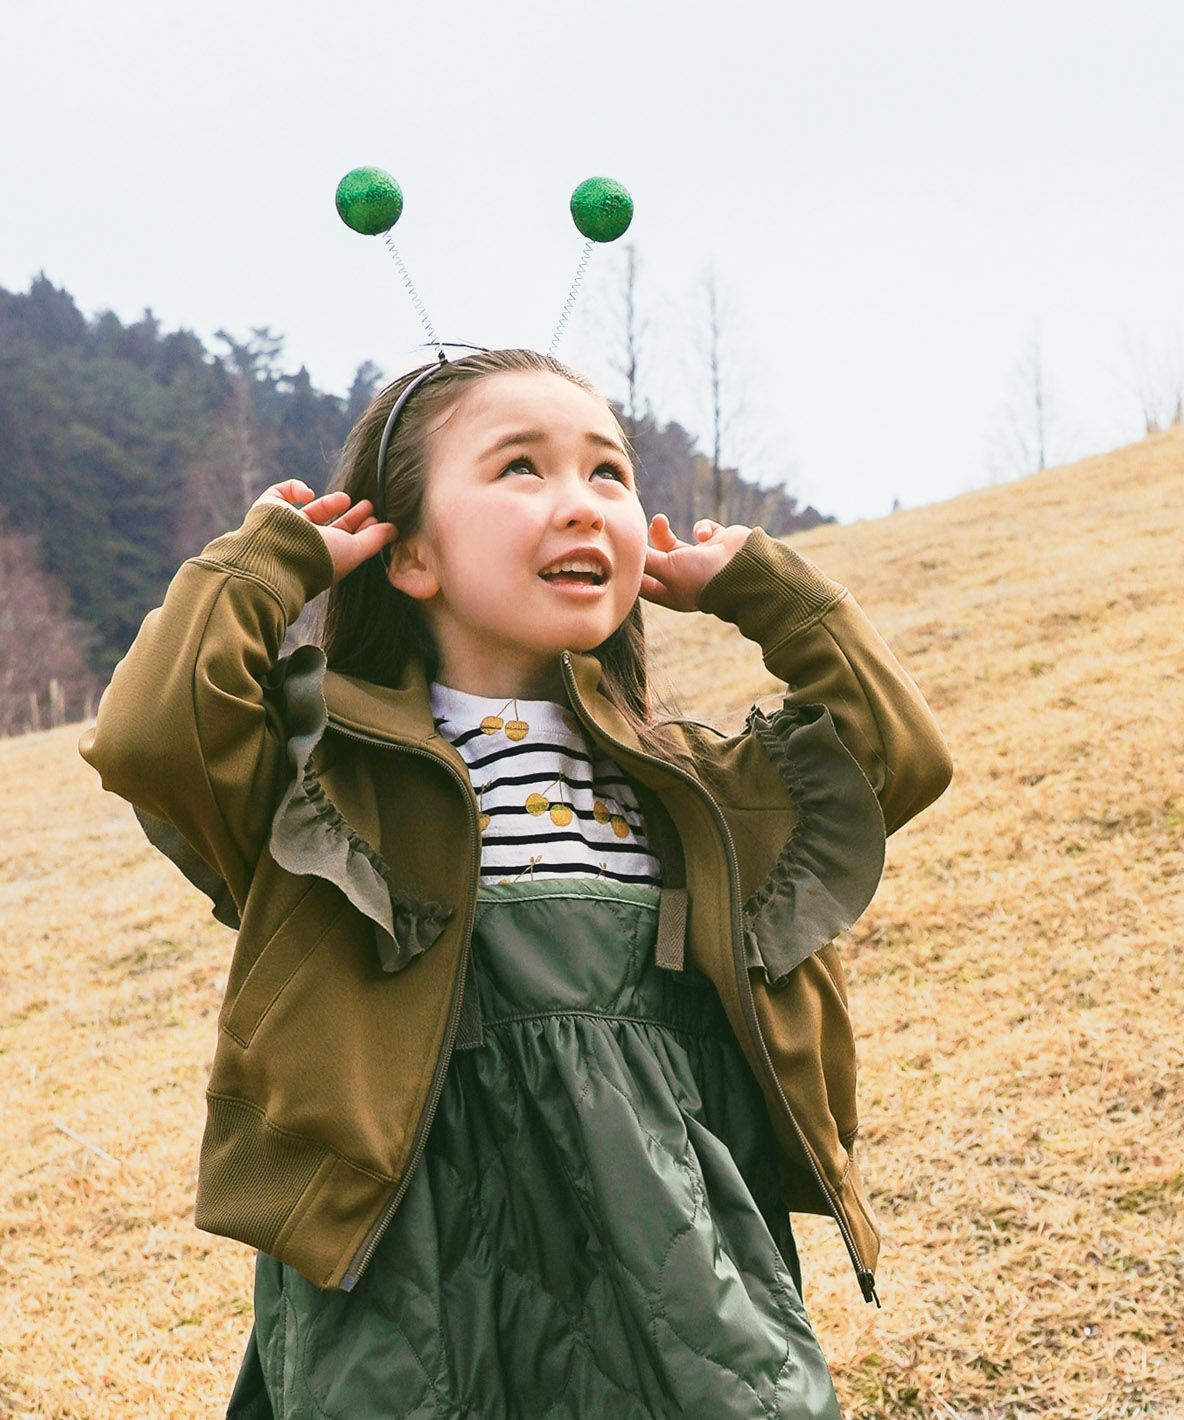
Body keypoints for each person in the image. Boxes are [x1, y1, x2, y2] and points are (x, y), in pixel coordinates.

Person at [78, 346, 953, 1418]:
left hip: (677, 1279)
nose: (581, 502)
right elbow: (154, 735)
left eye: (608, 472)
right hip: (410, 1286)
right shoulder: (327, 780)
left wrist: (767, 592)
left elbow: (893, 755)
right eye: (521, 467)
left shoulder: (696, 791)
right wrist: (265, 567)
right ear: (410, 556)